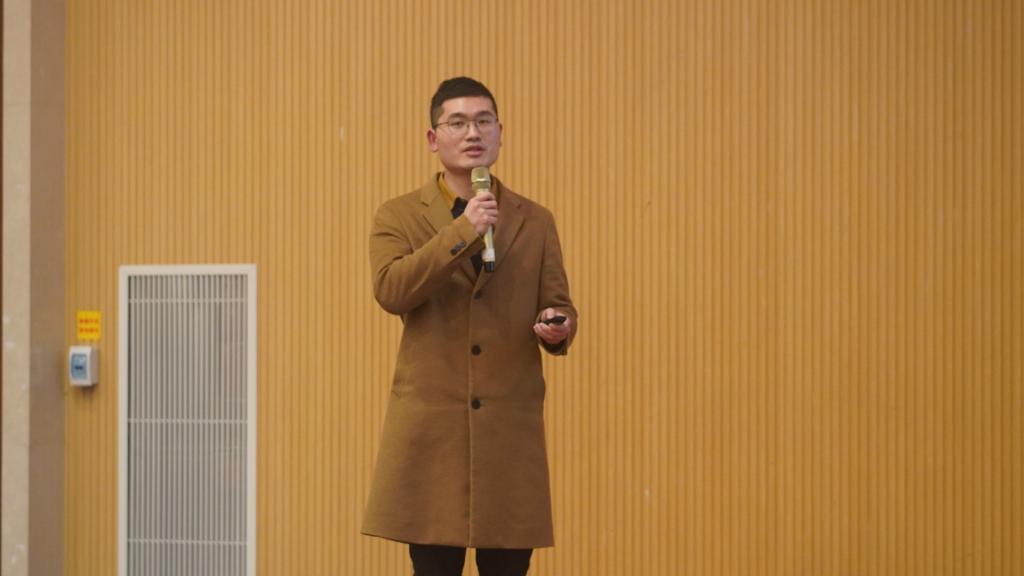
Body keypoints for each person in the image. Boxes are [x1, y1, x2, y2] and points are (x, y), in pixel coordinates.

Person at [361, 76, 578, 576]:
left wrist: (558, 325)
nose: (473, 132)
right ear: (433, 138)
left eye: (483, 121)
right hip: (432, 437)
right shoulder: (398, 215)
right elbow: (392, 290)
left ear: (500, 132)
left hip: (509, 435)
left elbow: (558, 302)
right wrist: (465, 230)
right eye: (457, 122)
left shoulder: (535, 219)